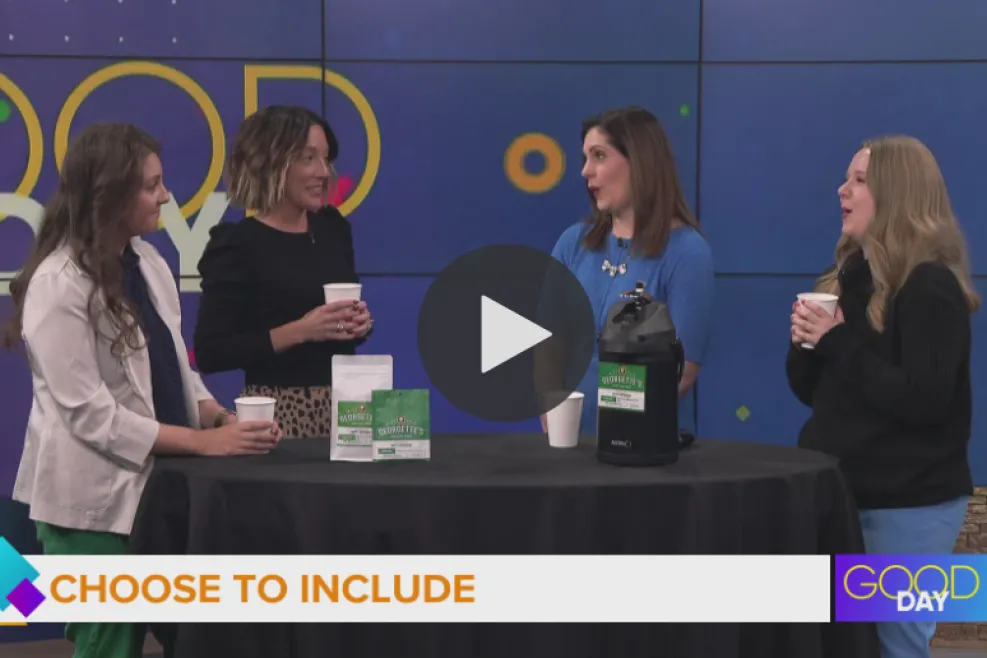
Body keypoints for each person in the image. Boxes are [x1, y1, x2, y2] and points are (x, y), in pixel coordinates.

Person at [2, 123, 282, 658]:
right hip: (89, 507)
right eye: (152, 186)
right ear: (110, 194)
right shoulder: (57, 284)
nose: (166, 196)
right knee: (110, 640)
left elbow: (173, 369)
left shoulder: (149, 263)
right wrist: (203, 443)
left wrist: (219, 418)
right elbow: (90, 415)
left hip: (158, 492)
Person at [787, 135, 978, 658]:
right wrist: (806, 343)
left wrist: (837, 341)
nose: (842, 189)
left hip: (910, 504)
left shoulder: (930, 288)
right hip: (845, 492)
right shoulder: (848, 280)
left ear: (896, 194)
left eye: (859, 180)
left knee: (893, 645)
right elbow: (814, 393)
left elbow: (923, 400)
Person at [193, 105, 373, 439]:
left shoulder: (333, 228)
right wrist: (301, 331)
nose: (324, 172)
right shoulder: (237, 245)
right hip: (276, 418)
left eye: (326, 159)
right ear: (273, 164)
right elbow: (211, 352)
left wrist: (360, 324)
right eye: (309, 158)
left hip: (349, 412)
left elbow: (344, 324)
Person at [547, 106, 715, 437]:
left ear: (640, 162)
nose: (585, 171)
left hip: (644, 446)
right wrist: (553, 418)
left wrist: (615, 433)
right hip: (569, 444)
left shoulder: (687, 252)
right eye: (585, 158)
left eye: (599, 156)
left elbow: (682, 371)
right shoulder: (573, 242)